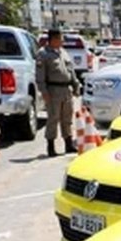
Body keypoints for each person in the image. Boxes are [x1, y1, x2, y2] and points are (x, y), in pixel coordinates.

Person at [36, 28, 81, 158]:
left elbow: (70, 71)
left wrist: (76, 85)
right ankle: (51, 146)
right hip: (53, 91)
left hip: (66, 90)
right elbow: (40, 76)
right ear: (53, 39)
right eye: (60, 38)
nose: (62, 41)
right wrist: (44, 92)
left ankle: (68, 144)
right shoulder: (43, 54)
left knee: (67, 118)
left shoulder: (63, 52)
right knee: (53, 118)